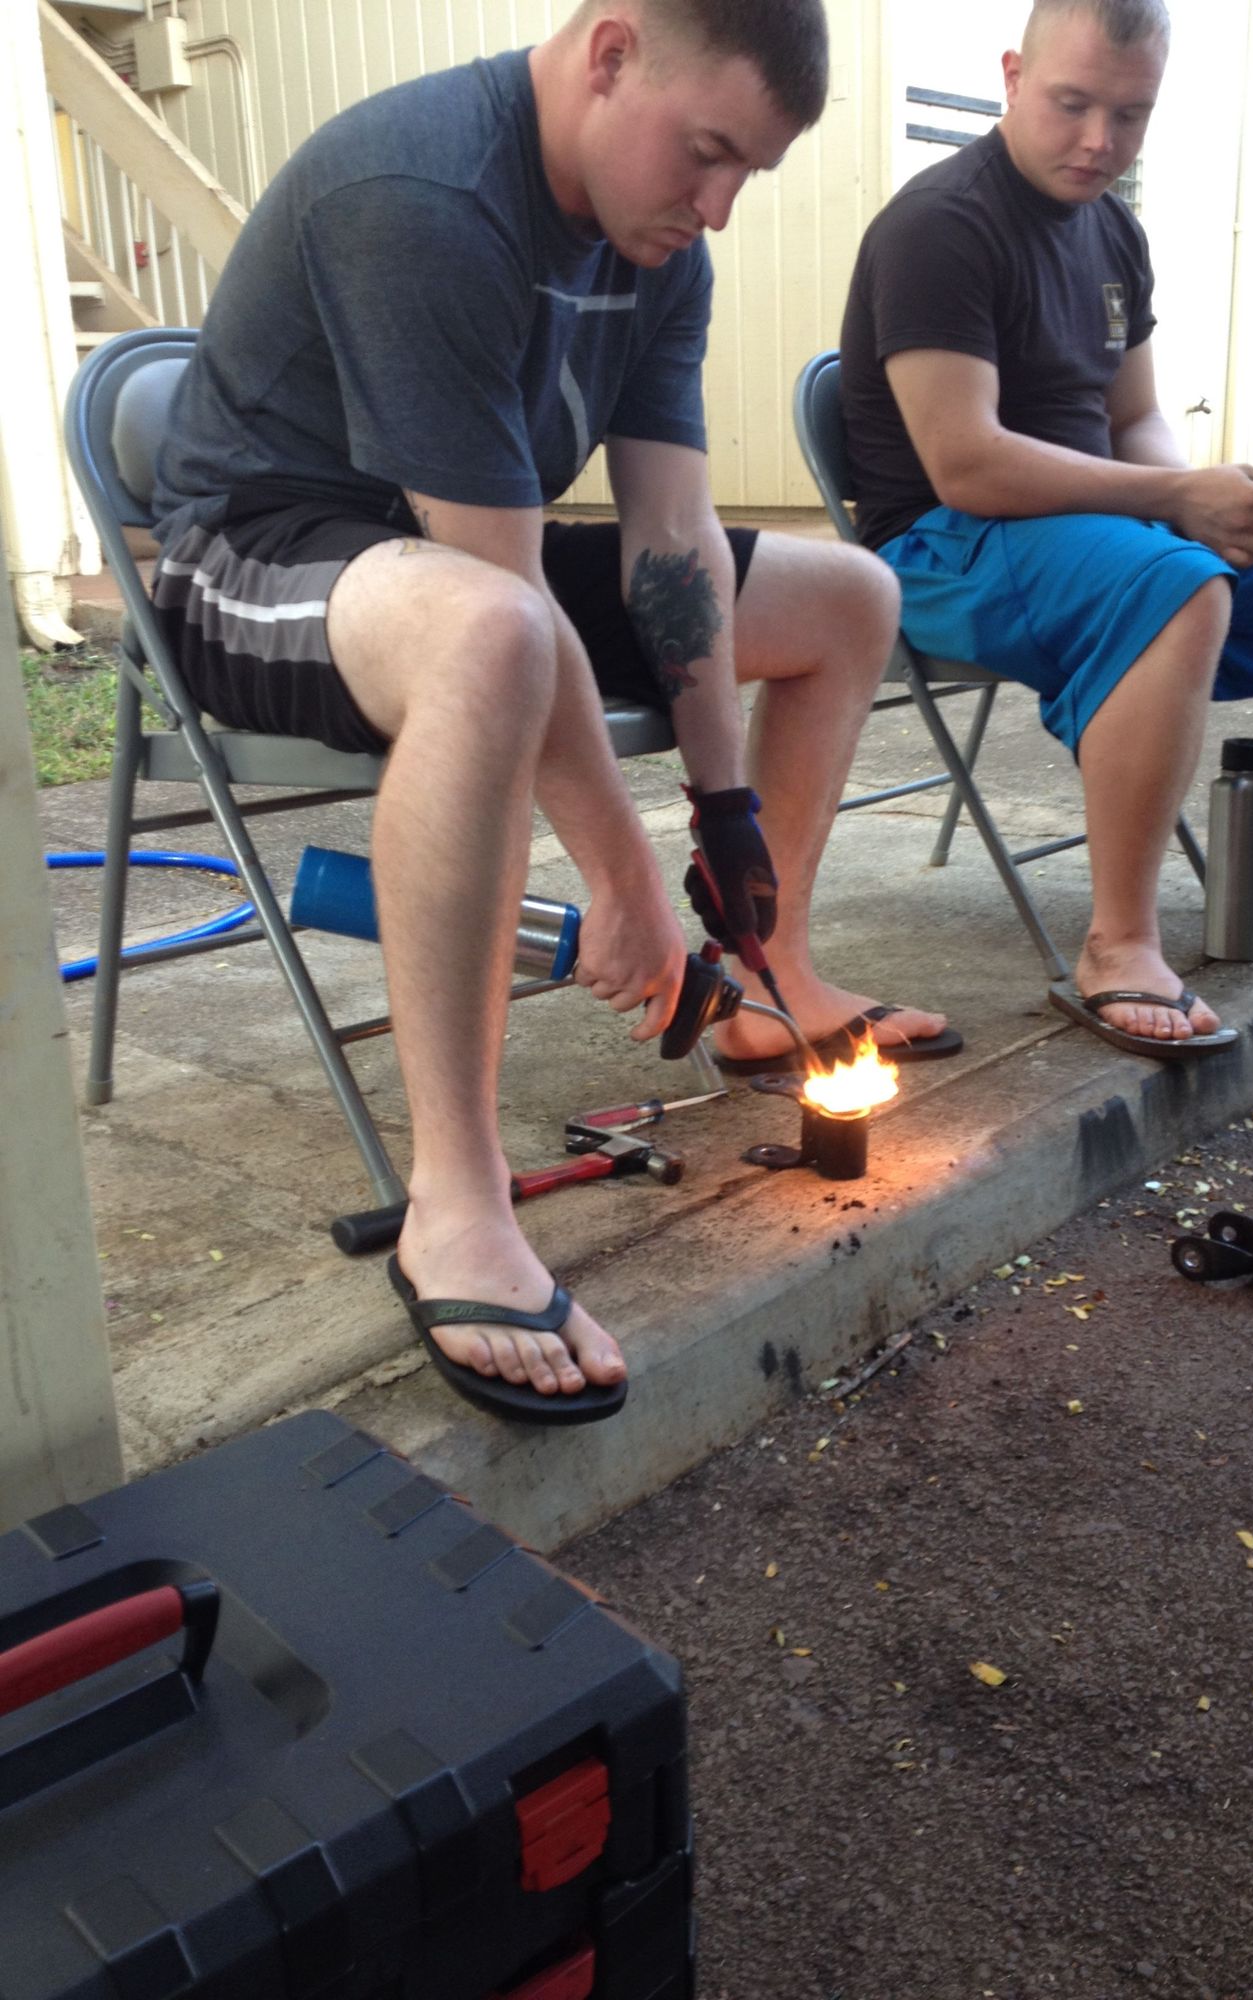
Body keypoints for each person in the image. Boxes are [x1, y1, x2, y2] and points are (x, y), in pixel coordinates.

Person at [151, 0, 957, 1424]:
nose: (718, 205)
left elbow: (670, 540)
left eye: (749, 173)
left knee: (847, 597)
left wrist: (724, 812)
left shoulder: (662, 245)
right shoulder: (424, 192)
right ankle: (454, 1202)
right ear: (610, 53)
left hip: (457, 565)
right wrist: (625, 880)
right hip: (256, 559)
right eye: (708, 152)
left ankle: (770, 980)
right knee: (496, 633)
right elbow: (502, 589)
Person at [839, 0, 1253, 1061]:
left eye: (1131, 115)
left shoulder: (1112, 229)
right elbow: (967, 462)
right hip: (944, 543)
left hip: (1086, 527)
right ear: (1013, 75)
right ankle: (1119, 942)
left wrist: (1194, 500)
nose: (1101, 140)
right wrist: (1173, 510)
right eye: (1072, 104)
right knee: (1178, 583)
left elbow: (1132, 416)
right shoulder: (940, 225)